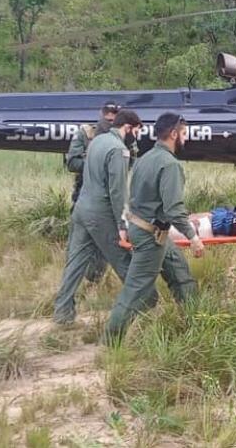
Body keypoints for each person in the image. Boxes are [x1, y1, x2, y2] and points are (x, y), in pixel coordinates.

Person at [106, 113, 205, 341]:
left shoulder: (145, 158)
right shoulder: (170, 165)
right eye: (183, 134)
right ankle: (111, 341)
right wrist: (193, 237)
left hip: (146, 229)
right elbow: (173, 209)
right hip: (151, 235)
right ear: (173, 134)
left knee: (180, 274)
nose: (185, 139)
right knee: (136, 290)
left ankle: (195, 324)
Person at [52, 109, 143, 325]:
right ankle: (143, 307)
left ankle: (62, 313)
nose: (137, 137)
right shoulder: (119, 150)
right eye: (137, 132)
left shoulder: (97, 142)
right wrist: (122, 223)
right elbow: (118, 191)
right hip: (100, 214)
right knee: (124, 261)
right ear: (128, 128)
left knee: (75, 264)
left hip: (81, 209)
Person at [64, 101, 121, 283]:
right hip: (84, 195)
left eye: (113, 115)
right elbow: (72, 162)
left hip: (109, 197)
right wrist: (96, 163)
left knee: (103, 247)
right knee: (78, 243)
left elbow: (131, 160)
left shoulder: (121, 136)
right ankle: (72, 280)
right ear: (101, 113)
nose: (110, 118)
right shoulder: (86, 134)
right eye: (107, 114)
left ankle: (95, 280)